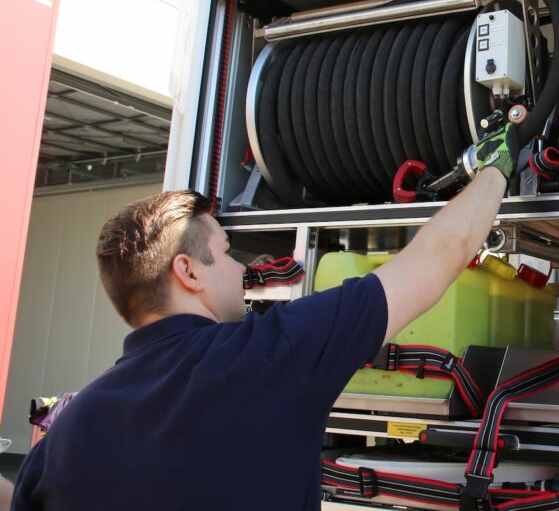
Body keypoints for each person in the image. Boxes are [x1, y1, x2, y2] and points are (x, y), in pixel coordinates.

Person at [12, 124, 519, 510]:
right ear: (188, 271)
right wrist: (497, 167)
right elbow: (438, 257)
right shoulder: (267, 356)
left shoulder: (63, 436)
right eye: (228, 252)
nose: (242, 268)